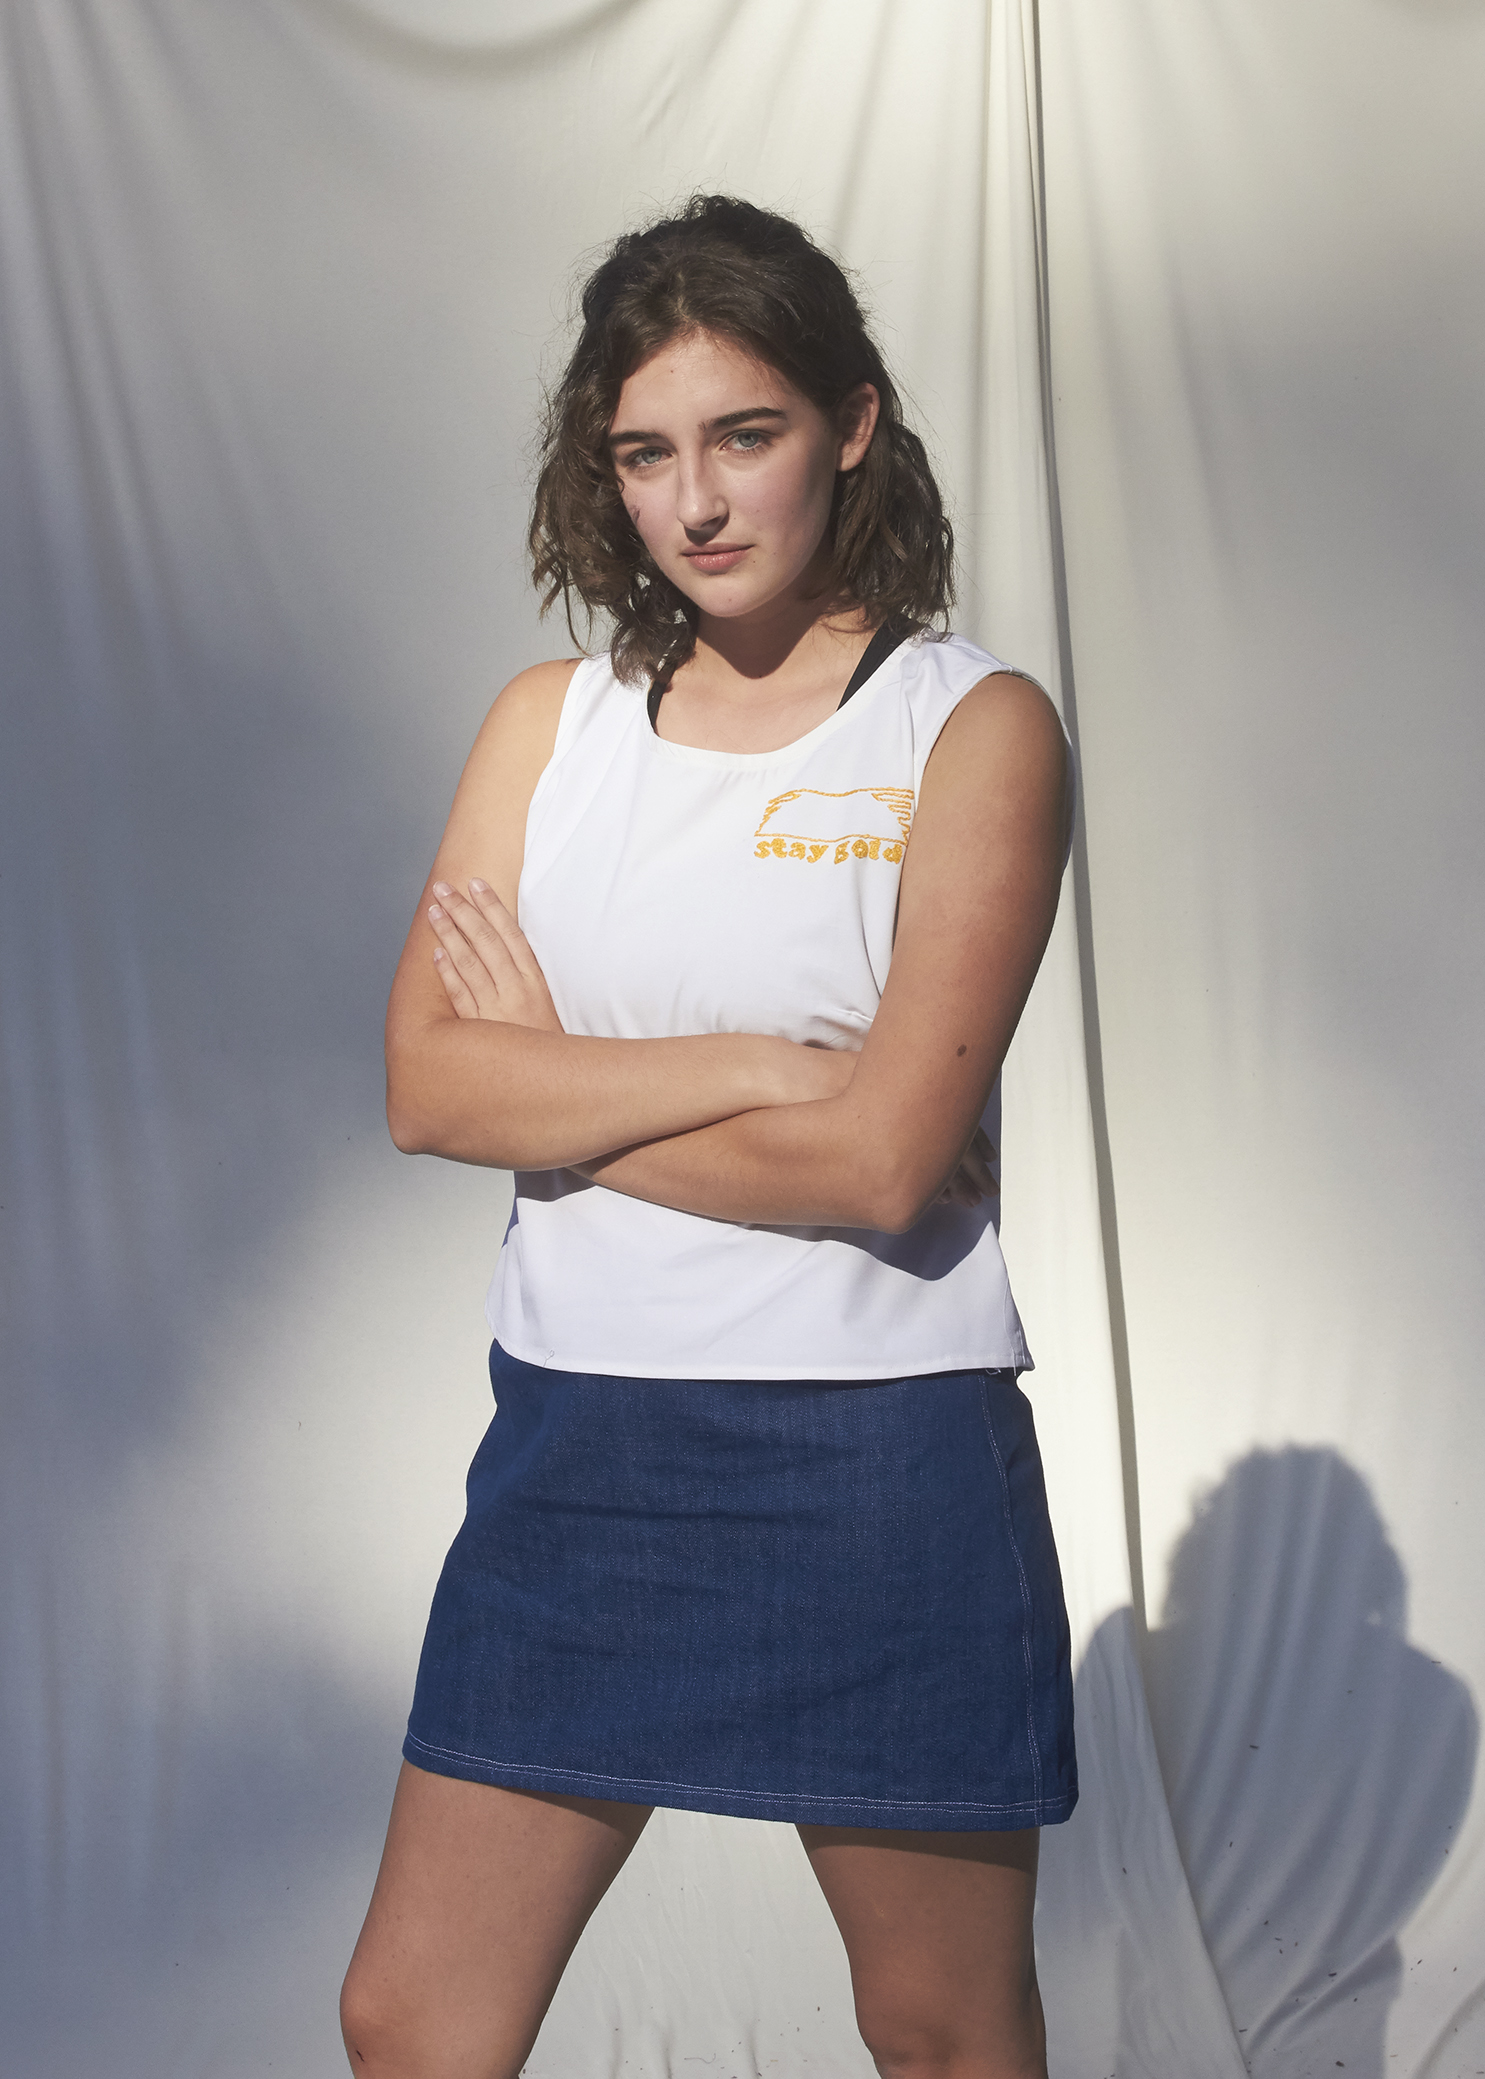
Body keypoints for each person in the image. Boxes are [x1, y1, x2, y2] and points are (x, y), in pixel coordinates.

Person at [340, 194, 1076, 2079]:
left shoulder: (970, 729)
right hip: (578, 1443)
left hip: (877, 1458)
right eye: (645, 452)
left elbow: (879, 1169)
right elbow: (430, 1088)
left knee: (937, 2030)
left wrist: (560, 1086)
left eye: (741, 435)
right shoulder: (549, 725)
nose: (695, 502)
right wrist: (763, 1060)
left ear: (852, 419)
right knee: (411, 2021)